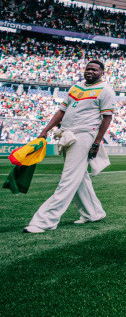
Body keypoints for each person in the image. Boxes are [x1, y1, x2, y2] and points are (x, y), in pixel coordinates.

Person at [24, 60, 115, 233]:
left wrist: (96, 143)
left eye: (94, 70)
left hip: (84, 136)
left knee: (69, 178)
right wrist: (45, 130)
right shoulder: (76, 87)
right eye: (88, 68)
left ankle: (44, 221)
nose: (90, 72)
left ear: (102, 73)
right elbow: (62, 111)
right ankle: (93, 213)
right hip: (67, 134)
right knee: (80, 177)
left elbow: (107, 119)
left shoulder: (106, 90)